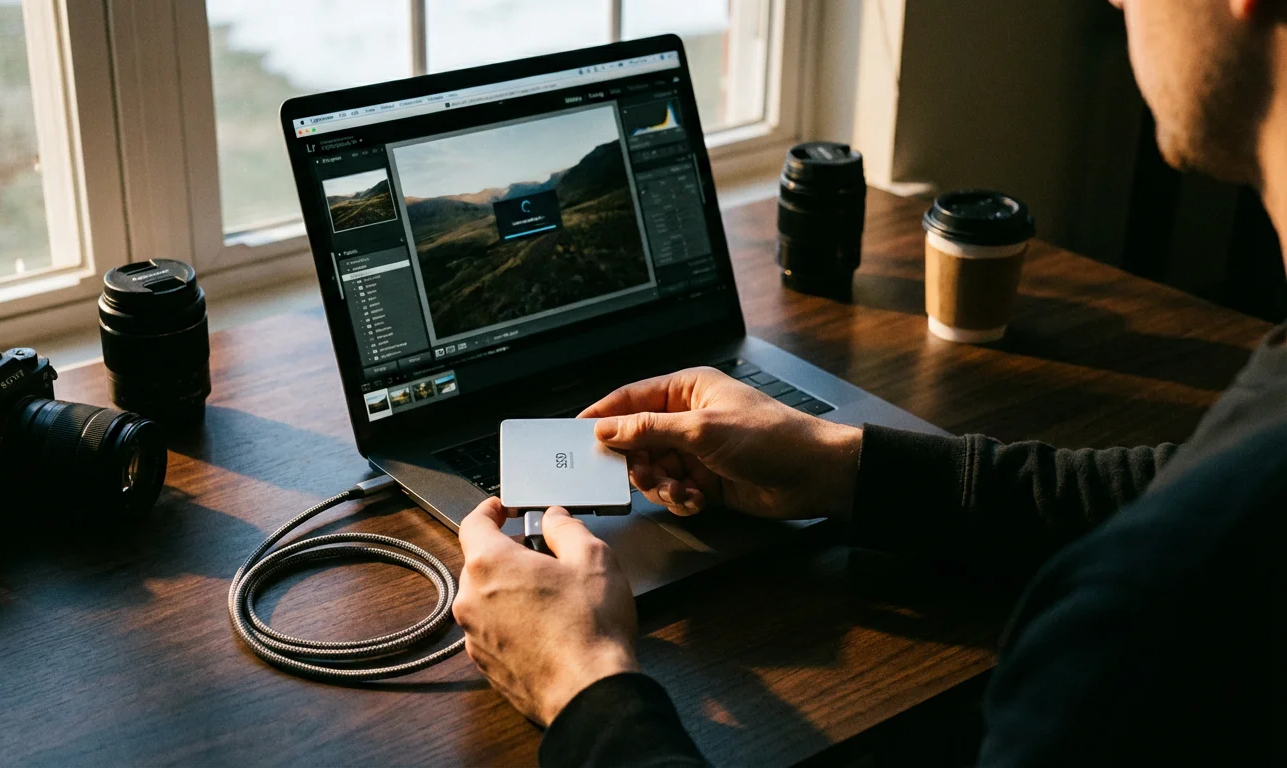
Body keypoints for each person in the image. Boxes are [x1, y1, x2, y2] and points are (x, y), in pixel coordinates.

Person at [450, 0, 1285, 764]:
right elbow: (1163, 487)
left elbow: (1173, 528)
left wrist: (583, 689)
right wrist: (841, 466)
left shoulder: (1131, 632)